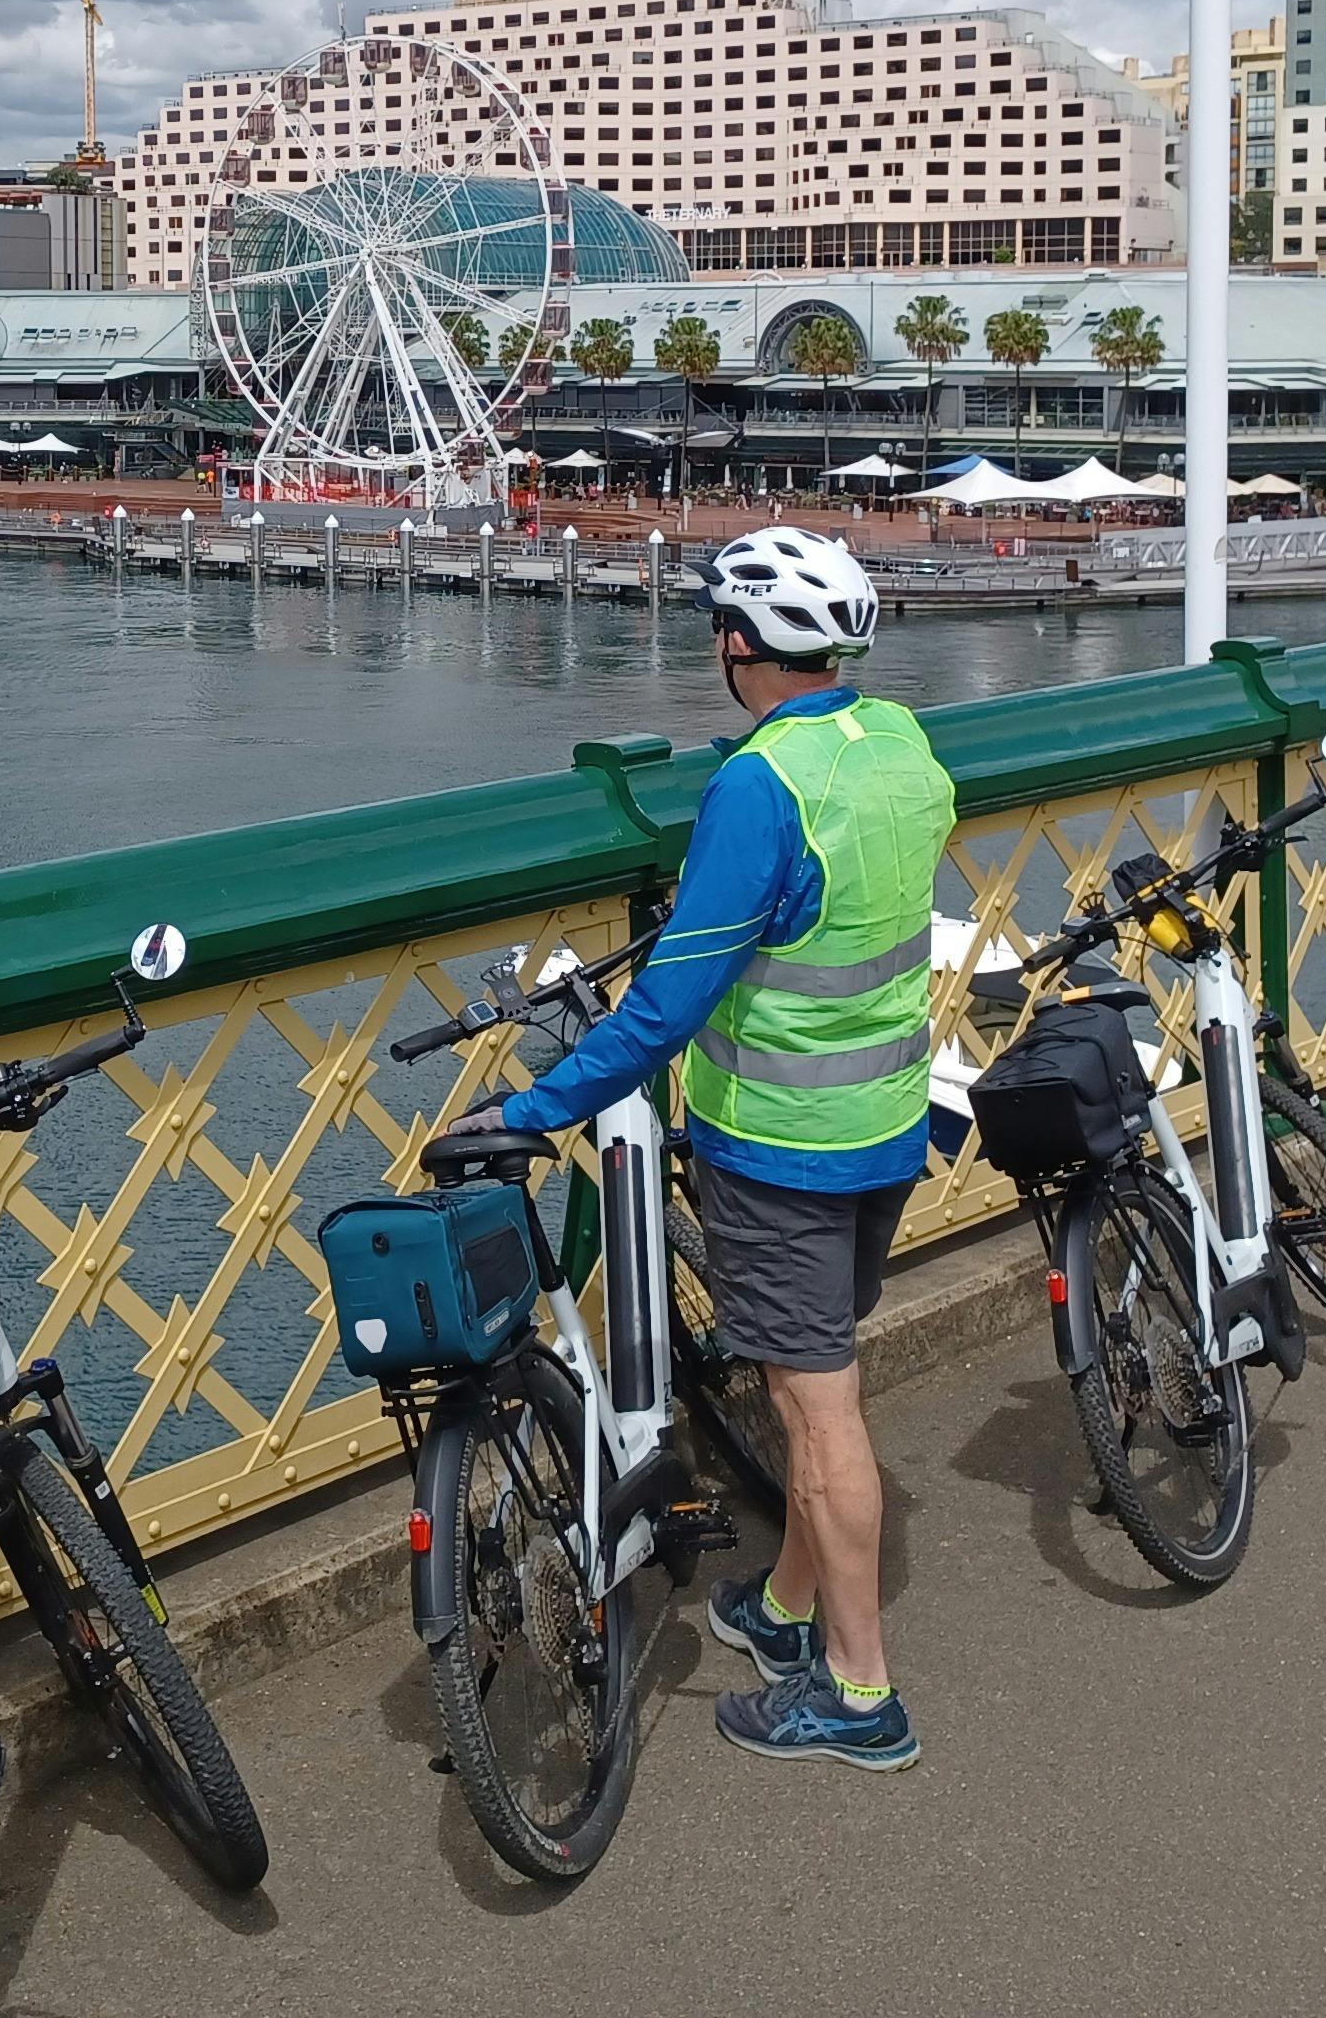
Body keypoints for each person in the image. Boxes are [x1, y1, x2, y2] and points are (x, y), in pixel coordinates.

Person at [454, 526, 952, 1771]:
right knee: (815, 1381)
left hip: (782, 1145)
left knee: (816, 1411)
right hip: (886, 1120)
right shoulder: (899, 741)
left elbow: (668, 1006)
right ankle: (782, 1610)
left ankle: (859, 1695)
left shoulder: (758, 787)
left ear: (738, 644)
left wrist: (535, 1108)